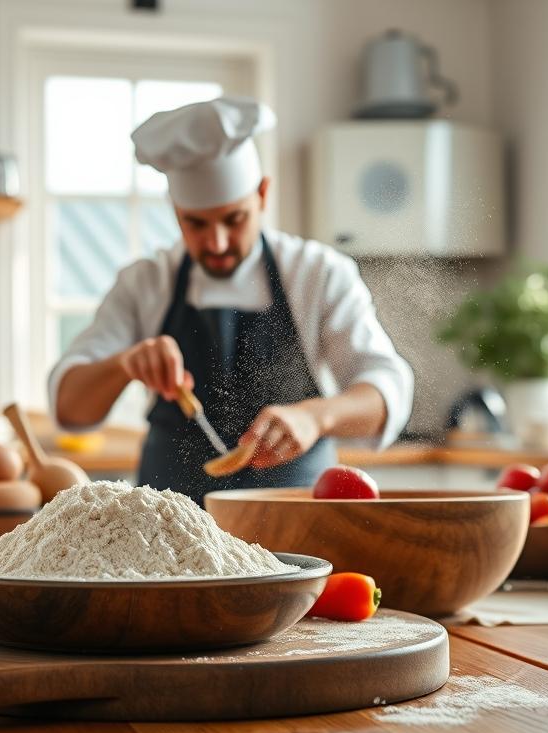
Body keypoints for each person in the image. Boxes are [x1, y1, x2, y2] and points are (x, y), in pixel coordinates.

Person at [49, 96, 413, 503]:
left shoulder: (318, 273)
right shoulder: (145, 282)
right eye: (196, 223)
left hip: (297, 520)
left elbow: (386, 392)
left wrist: (316, 416)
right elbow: (69, 409)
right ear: (175, 210)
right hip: (165, 529)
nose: (217, 242)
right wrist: (124, 364)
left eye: (233, 219)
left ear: (262, 194)